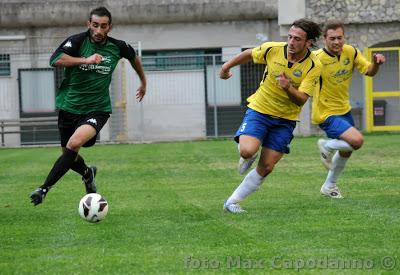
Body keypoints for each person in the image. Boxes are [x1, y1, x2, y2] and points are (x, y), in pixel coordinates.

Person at [30, 7, 147, 206]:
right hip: (69, 107)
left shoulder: (117, 46)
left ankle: (43, 188)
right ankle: (87, 173)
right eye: (95, 25)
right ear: (88, 24)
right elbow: (55, 60)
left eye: (103, 26)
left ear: (110, 27)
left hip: (97, 109)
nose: (99, 30)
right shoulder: (77, 42)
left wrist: (143, 81)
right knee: (68, 155)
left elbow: (133, 57)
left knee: (74, 144)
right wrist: (85, 59)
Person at [220, 18, 322, 213]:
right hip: (260, 109)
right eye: (290, 37)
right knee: (247, 151)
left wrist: (288, 87)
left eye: (298, 39)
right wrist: (226, 67)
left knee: (266, 167)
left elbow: (301, 99)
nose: (291, 42)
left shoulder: (314, 66)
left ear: (309, 42)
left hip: (286, 119)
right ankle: (248, 155)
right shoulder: (273, 49)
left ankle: (232, 202)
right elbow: (250, 54)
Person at [312, 19, 385, 198]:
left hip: (344, 109)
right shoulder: (317, 59)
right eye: (332, 38)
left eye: (340, 38)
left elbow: (369, 71)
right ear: (324, 39)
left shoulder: (350, 52)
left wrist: (376, 63)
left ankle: (329, 186)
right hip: (325, 112)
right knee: (357, 141)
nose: (336, 42)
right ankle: (326, 146)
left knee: (347, 151)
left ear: (344, 37)